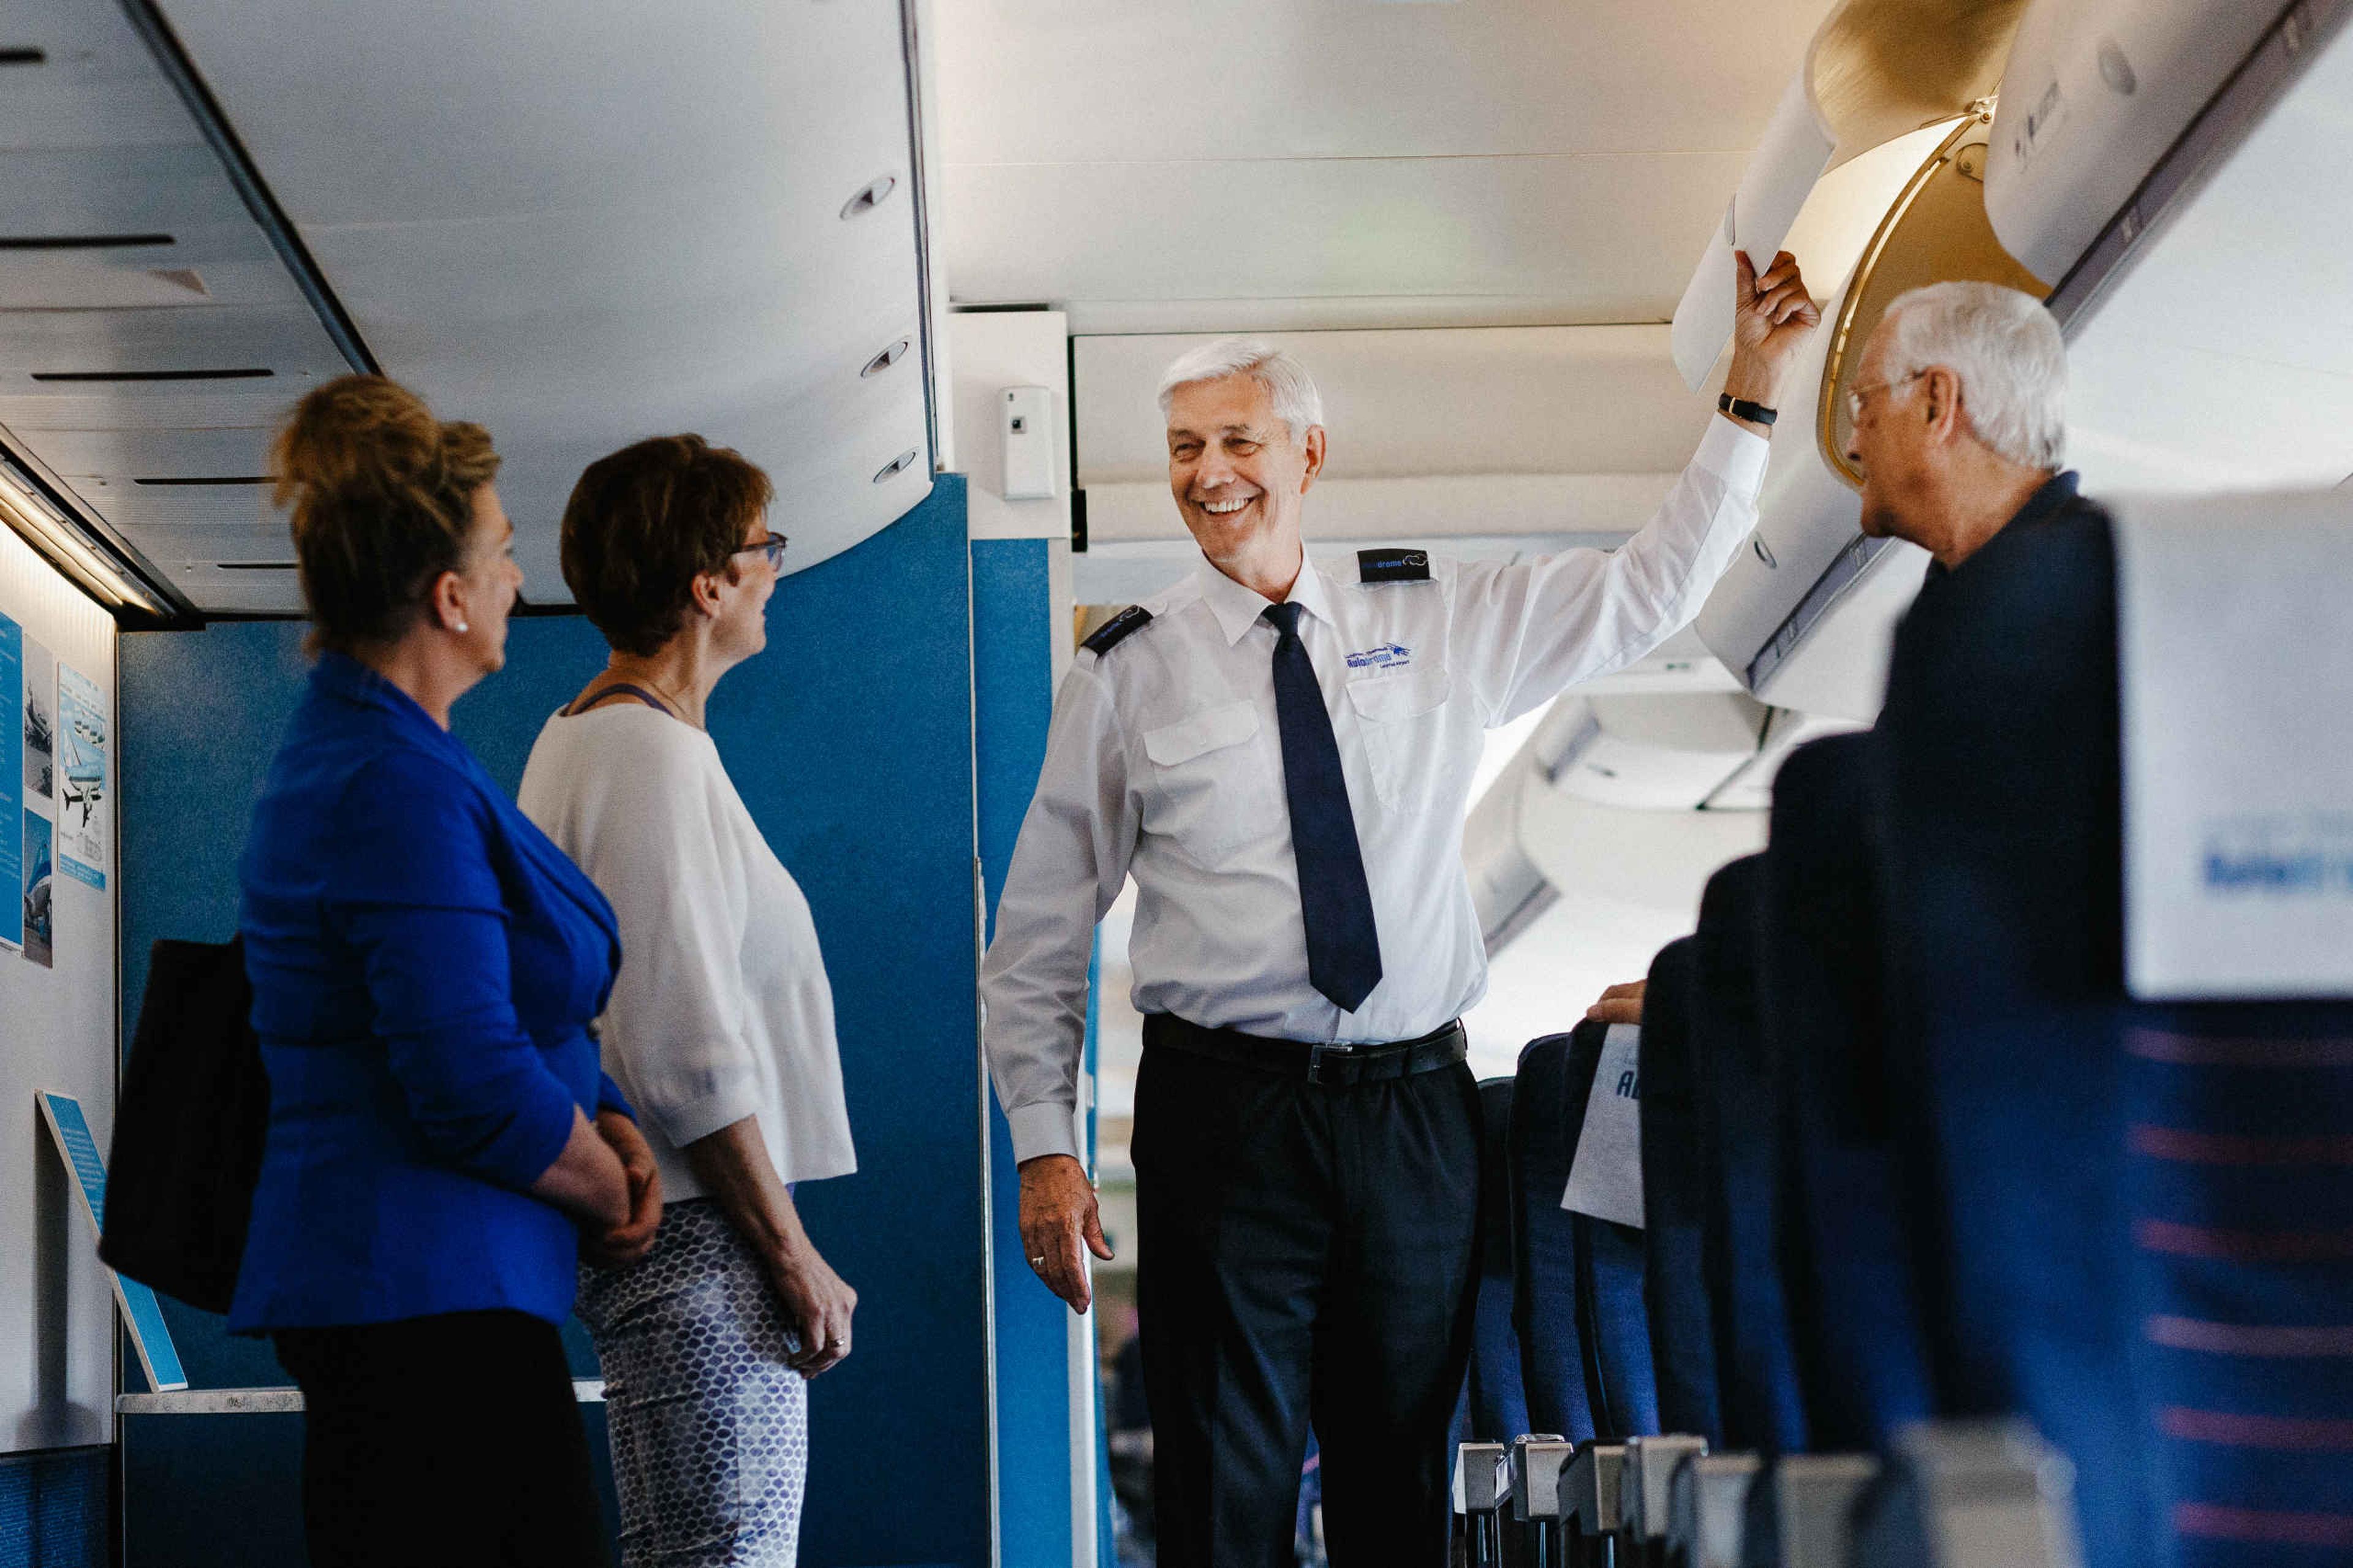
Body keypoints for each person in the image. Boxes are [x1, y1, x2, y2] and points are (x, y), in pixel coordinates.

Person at [983, 250, 1821, 1564]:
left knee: (1399, 1496)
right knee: (1224, 1497)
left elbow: (1646, 591)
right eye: (1186, 446)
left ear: (1309, 452)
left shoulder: (1437, 615)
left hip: (1414, 1110)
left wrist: (1750, 400)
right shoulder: (1125, 674)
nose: (1211, 472)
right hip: (1225, 1113)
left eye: (1240, 439)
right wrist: (1044, 1141)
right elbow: (1040, 928)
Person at [235, 376, 661, 1568]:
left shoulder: (409, 758)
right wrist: (610, 1180)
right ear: (449, 593)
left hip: (450, 1290)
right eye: (507, 553)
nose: (523, 580)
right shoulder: (389, 781)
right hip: (420, 1298)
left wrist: (611, 1119)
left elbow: (514, 1004)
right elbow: (466, 1071)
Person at [518, 434, 858, 1568]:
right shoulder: (644, 756)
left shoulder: (591, 738)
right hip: (704, 1240)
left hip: (687, 1235)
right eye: (766, 548)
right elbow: (682, 1047)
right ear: (709, 583)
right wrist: (792, 1248)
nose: (776, 571)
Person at [1587, 279, 2077, 1028]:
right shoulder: (1975, 603)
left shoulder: (2049, 610)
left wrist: (1714, 997)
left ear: (1937, 403)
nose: (1853, 443)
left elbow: (1958, 910)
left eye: (1865, 407)